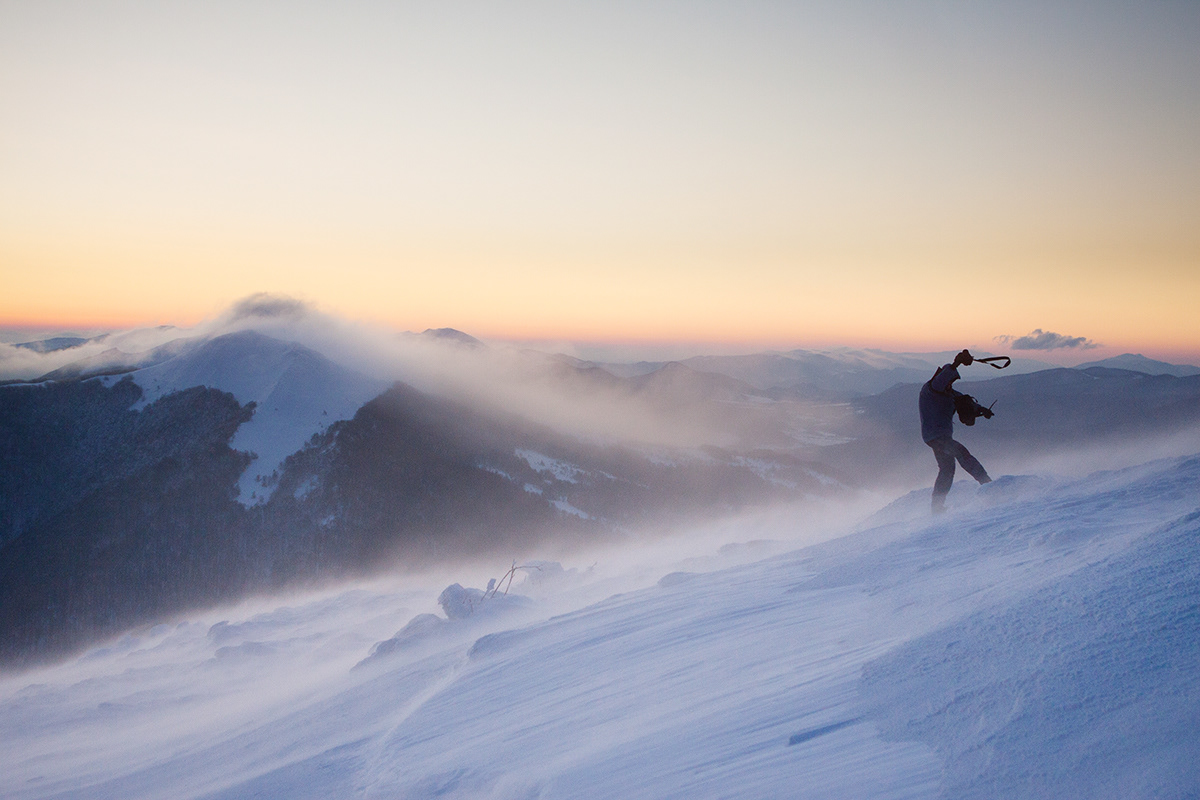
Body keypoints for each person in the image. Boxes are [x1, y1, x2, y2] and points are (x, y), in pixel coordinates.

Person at [919, 349, 993, 513]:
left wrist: (982, 410)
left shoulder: (948, 392)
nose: (950, 385)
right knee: (962, 453)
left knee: (947, 469)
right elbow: (943, 378)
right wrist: (956, 363)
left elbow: (963, 401)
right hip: (937, 436)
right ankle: (987, 484)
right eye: (949, 381)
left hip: (936, 437)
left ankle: (937, 507)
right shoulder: (931, 388)